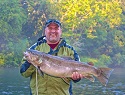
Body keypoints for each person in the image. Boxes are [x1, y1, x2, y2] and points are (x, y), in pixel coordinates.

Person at [20, 19, 84, 95]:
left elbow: (77, 77)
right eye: (50, 28)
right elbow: (24, 73)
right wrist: (31, 62)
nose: (53, 31)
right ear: (45, 31)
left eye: (56, 28)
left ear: (60, 31)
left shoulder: (71, 50)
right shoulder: (34, 48)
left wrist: (77, 78)